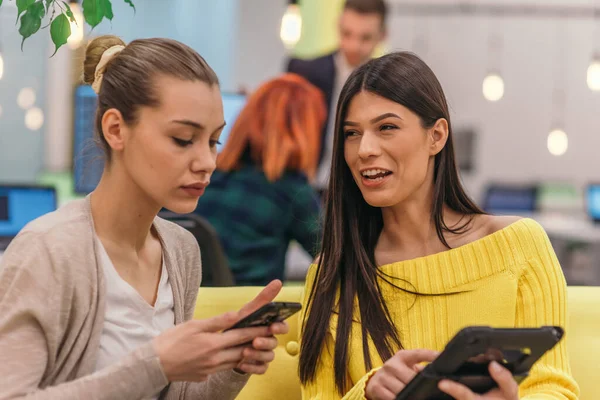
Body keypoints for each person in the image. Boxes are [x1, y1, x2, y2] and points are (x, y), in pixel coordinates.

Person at [0, 35, 289, 400]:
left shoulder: (181, 250)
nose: (207, 162)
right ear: (116, 129)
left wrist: (233, 364)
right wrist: (155, 365)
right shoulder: (48, 251)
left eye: (214, 140)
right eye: (184, 139)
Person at [298, 52, 579, 400]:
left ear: (437, 136)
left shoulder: (519, 245)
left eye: (387, 127)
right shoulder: (330, 275)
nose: (364, 150)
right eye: (351, 133)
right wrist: (367, 391)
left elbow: (553, 388)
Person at [194, 73, 325, 285]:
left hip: (188, 308)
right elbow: (334, 260)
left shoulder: (206, 174)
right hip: (249, 310)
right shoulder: (291, 189)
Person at [287, 0, 388, 192]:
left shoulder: (388, 83)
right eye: (347, 34)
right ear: (338, 27)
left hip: (361, 190)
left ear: (382, 36)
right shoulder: (304, 72)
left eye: (365, 38)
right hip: (308, 188)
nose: (353, 46)